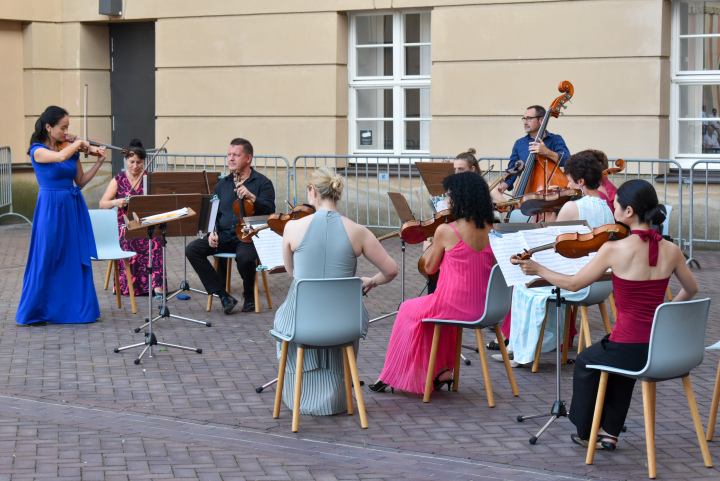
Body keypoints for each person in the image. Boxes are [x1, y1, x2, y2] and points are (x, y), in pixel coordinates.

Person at [512, 179, 697, 450]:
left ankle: (588, 432)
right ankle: (609, 432)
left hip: (628, 344)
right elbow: (691, 289)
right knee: (621, 367)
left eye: (616, 205)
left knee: (587, 361)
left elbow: (574, 284)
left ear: (629, 212)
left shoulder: (613, 249)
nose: (613, 208)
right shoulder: (671, 249)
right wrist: (662, 314)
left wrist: (539, 269)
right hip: (657, 347)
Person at [273, 167, 397, 415]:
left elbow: (292, 272)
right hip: (344, 324)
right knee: (339, 324)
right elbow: (392, 270)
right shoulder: (358, 231)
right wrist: (369, 280)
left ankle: (300, 395)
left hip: (302, 323)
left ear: (312, 192)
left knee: (283, 317)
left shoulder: (292, 228)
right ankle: (336, 395)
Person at [370, 172, 496, 394]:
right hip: (482, 307)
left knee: (407, 308)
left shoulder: (446, 230)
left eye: (449, 196)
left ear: (461, 198)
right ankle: (441, 371)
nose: (447, 201)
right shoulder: (491, 230)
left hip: (452, 305)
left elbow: (430, 269)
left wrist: (428, 242)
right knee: (433, 314)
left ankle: (390, 374)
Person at [493, 151, 615, 366]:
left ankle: (522, 352)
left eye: (569, 181)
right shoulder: (607, 207)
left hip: (579, 281)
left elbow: (552, 248)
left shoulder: (573, 206)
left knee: (523, 285)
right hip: (603, 282)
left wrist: (549, 213)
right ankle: (530, 346)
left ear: (580, 181)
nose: (567, 185)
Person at [16, 106, 107, 325]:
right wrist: (78, 142)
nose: (67, 132)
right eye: (62, 127)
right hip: (49, 207)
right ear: (48, 127)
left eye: (68, 127)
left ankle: (75, 310)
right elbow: (59, 156)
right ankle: (36, 310)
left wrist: (99, 161)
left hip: (72, 206)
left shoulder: (70, 149)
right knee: (47, 255)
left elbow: (81, 181)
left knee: (72, 257)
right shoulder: (38, 150)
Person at [185, 138, 275, 314]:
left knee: (244, 257)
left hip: (250, 237)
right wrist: (212, 231)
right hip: (225, 235)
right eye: (229, 155)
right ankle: (223, 295)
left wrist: (252, 196)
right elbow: (215, 214)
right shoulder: (221, 185)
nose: (231, 159)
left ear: (248, 158)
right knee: (192, 250)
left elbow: (270, 211)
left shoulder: (263, 183)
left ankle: (249, 295)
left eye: (236, 155)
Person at [99, 139, 164, 298]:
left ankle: (157, 287)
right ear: (126, 160)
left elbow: (160, 202)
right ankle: (128, 285)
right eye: (131, 162)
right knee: (128, 239)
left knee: (157, 240)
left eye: (139, 162)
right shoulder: (118, 180)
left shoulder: (149, 178)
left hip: (147, 223)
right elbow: (102, 204)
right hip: (126, 225)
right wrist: (116, 202)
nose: (135, 166)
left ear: (144, 161)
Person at [491, 105, 571, 204]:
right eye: (524, 119)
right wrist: (503, 185)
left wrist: (546, 152)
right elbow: (512, 169)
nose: (525, 122)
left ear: (541, 120)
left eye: (529, 118)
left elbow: (567, 160)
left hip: (550, 193)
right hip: (526, 193)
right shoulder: (519, 143)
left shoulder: (555, 139)